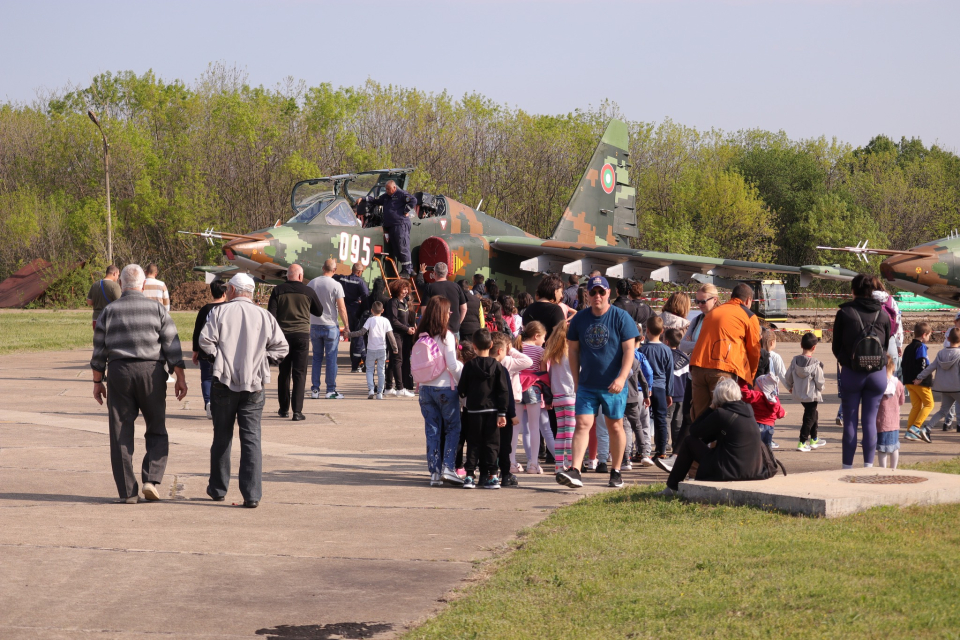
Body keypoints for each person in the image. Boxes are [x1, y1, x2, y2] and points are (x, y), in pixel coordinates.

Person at [90, 264, 187, 503]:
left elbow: (99, 350)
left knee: (120, 432)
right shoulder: (157, 309)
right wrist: (180, 377)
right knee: (156, 426)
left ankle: (127, 491)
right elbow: (172, 345)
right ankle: (151, 479)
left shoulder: (109, 311)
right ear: (142, 285)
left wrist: (97, 381)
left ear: (121, 285)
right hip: (152, 373)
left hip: (119, 372)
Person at [199, 273, 289, 508]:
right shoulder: (264, 315)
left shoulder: (218, 312)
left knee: (222, 437)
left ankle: (218, 489)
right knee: (251, 439)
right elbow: (282, 347)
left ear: (231, 290)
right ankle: (252, 494)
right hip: (254, 385)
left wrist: (218, 359)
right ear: (250, 292)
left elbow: (205, 341)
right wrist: (263, 360)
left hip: (223, 383)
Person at [557, 276, 640, 489]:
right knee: (583, 424)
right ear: (587, 294)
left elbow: (629, 350)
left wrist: (622, 378)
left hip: (613, 384)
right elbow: (573, 351)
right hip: (587, 384)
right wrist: (576, 381)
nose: (597, 296)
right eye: (593, 292)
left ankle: (616, 471)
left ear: (608, 293)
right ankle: (575, 470)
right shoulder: (580, 319)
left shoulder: (621, 317)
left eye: (601, 292)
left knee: (615, 426)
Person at [658, 378, 766, 495]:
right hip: (753, 471)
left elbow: (693, 431)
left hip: (729, 471)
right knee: (698, 441)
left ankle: (672, 487)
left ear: (718, 397)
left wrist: (711, 407)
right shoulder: (748, 411)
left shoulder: (721, 414)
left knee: (689, 441)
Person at [832, 273, 891, 469]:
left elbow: (836, 346)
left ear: (853, 290)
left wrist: (847, 361)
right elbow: (886, 345)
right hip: (877, 374)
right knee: (869, 420)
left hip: (852, 372)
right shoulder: (883, 315)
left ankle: (846, 467)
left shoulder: (845, 313)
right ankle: (868, 466)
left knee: (849, 420)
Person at [689, 283, 762, 421]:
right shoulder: (749, 316)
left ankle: (698, 442)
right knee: (722, 416)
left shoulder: (713, 312)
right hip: (721, 368)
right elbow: (754, 350)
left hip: (697, 367)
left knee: (700, 417)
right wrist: (750, 378)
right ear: (748, 300)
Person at [415, 296, 464, 487]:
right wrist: (463, 382)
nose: (451, 313)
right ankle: (448, 467)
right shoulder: (447, 336)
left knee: (432, 430)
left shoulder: (421, 335)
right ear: (443, 313)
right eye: (449, 311)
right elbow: (452, 364)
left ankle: (434, 473)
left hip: (425, 389)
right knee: (453, 428)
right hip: (445, 389)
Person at [268, 264, 323, 420]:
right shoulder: (308, 291)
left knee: (284, 373)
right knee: (299, 373)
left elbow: (271, 315)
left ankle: (283, 409)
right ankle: (297, 412)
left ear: (287, 276)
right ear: (300, 276)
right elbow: (319, 311)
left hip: (282, 337)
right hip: (302, 336)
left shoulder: (278, 290)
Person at [457, 329, 510, 489]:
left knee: (473, 443)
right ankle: (493, 476)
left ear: (473, 347)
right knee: (492, 444)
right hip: (493, 411)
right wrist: (503, 412)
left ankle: (470, 475)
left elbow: (462, 389)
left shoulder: (469, 366)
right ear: (492, 345)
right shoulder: (498, 367)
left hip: (473, 411)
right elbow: (503, 390)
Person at [306, 259, 351, 399]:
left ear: (322, 268)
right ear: (334, 270)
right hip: (330, 325)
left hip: (315, 324)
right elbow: (342, 308)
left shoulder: (312, 283)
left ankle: (315, 389)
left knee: (316, 359)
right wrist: (347, 326)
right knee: (331, 359)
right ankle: (330, 390)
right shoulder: (336, 285)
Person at [494, 332, 532, 486]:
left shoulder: (494, 361)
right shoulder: (508, 361)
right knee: (507, 441)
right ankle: (506, 470)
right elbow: (528, 361)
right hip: (509, 404)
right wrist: (512, 350)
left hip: (493, 406)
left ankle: (492, 471)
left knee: (494, 441)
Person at [357, 180, 417, 275]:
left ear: (394, 187)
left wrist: (406, 210)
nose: (387, 191)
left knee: (402, 246)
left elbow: (413, 200)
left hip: (400, 224)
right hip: (391, 226)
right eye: (386, 189)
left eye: (389, 189)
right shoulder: (386, 197)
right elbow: (376, 200)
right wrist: (364, 198)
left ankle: (407, 270)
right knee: (396, 248)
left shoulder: (401, 194)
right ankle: (408, 268)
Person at [516, 321, 551, 474]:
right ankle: (533, 464)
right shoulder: (540, 351)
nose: (544, 341)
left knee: (517, 428)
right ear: (536, 336)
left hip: (516, 388)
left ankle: (512, 462)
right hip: (533, 388)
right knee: (535, 427)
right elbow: (543, 373)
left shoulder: (517, 347)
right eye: (543, 337)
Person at [345, 301, 397, 399]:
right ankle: (380, 393)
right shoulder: (385, 321)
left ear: (372, 310)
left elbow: (361, 332)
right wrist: (395, 348)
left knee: (369, 370)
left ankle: (371, 390)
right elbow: (391, 336)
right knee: (381, 371)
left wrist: (349, 334)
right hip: (382, 349)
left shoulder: (369, 320)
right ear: (382, 310)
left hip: (371, 349)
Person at [784, 332, 827, 452]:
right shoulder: (815, 363)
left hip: (800, 394)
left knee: (813, 414)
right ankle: (802, 441)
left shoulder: (795, 360)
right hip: (811, 394)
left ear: (801, 345)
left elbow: (788, 377)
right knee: (809, 417)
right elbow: (820, 380)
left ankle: (814, 439)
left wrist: (791, 386)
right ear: (814, 347)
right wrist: (821, 389)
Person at [192, 280, 228, 420]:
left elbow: (197, 331)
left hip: (206, 350)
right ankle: (224, 405)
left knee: (207, 378)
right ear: (225, 292)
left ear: (211, 293)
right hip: (224, 350)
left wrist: (195, 350)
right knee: (225, 378)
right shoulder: (229, 308)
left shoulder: (205, 309)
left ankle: (208, 402)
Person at [544, 323, 576, 473]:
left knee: (560, 433)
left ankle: (558, 465)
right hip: (571, 396)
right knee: (570, 433)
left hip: (557, 397)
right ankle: (571, 464)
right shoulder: (572, 353)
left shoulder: (554, 353)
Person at [641, 316, 674, 459]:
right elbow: (669, 373)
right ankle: (661, 450)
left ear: (647, 330)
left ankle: (642, 451)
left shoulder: (643, 350)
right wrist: (669, 392)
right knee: (661, 419)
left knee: (643, 420)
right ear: (662, 331)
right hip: (661, 388)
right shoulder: (666, 350)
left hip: (644, 388)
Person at [921, 325, 960, 433]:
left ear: (948, 339)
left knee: (942, 411)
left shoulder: (940, 353)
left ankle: (926, 429)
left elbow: (931, 367)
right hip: (957, 388)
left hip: (944, 388)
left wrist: (920, 377)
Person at [334, 262, 371, 372]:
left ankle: (357, 362)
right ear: (359, 272)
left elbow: (334, 276)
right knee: (358, 337)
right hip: (356, 311)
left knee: (352, 336)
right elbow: (366, 296)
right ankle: (358, 364)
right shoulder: (360, 282)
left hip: (345, 310)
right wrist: (365, 309)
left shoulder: (343, 278)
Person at [416, 262, 467, 338]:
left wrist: (428, 324)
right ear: (446, 273)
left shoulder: (430, 287)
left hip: (436, 329)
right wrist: (458, 323)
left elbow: (424, 309)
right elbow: (464, 308)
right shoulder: (456, 287)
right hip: (454, 329)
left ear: (434, 273)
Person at [384, 278, 417, 396]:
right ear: (397, 290)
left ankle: (388, 387)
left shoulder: (404, 302)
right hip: (395, 335)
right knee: (398, 360)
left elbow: (405, 319)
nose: (405, 291)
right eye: (403, 289)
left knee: (393, 360)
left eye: (406, 289)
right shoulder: (393, 302)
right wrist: (407, 329)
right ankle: (400, 388)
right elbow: (393, 321)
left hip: (403, 335)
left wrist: (410, 327)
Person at [903, 322, 935, 443]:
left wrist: (906, 378)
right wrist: (921, 377)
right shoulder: (921, 347)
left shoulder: (908, 347)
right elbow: (922, 362)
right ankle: (916, 427)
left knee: (916, 406)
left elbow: (903, 364)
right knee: (929, 404)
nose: (929, 338)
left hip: (908, 382)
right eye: (929, 336)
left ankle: (909, 431)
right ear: (924, 335)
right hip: (920, 382)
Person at [740, 374, 785, 450]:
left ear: (761, 387)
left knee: (754, 448)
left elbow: (745, 394)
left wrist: (743, 380)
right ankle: (768, 460)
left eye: (755, 385)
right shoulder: (774, 399)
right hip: (769, 428)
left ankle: (756, 460)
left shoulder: (757, 396)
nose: (753, 387)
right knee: (767, 448)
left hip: (756, 424)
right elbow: (780, 412)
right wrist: (784, 414)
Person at [877, 355, 906, 468]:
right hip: (894, 421)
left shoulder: (878, 384)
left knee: (882, 449)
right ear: (893, 367)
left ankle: (883, 470)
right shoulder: (898, 383)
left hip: (881, 422)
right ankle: (894, 469)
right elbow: (902, 401)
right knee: (894, 447)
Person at [663, 328, 689, 453]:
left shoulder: (664, 356)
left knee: (666, 419)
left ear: (666, 342)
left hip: (668, 394)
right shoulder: (685, 357)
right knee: (678, 422)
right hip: (682, 395)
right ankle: (677, 446)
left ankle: (664, 444)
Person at [86, 265, 121, 329]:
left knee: (98, 338)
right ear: (114, 273)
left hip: (96, 318)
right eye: (118, 275)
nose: (117, 278)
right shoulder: (115, 286)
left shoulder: (95, 284)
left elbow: (89, 302)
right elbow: (119, 303)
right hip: (109, 319)